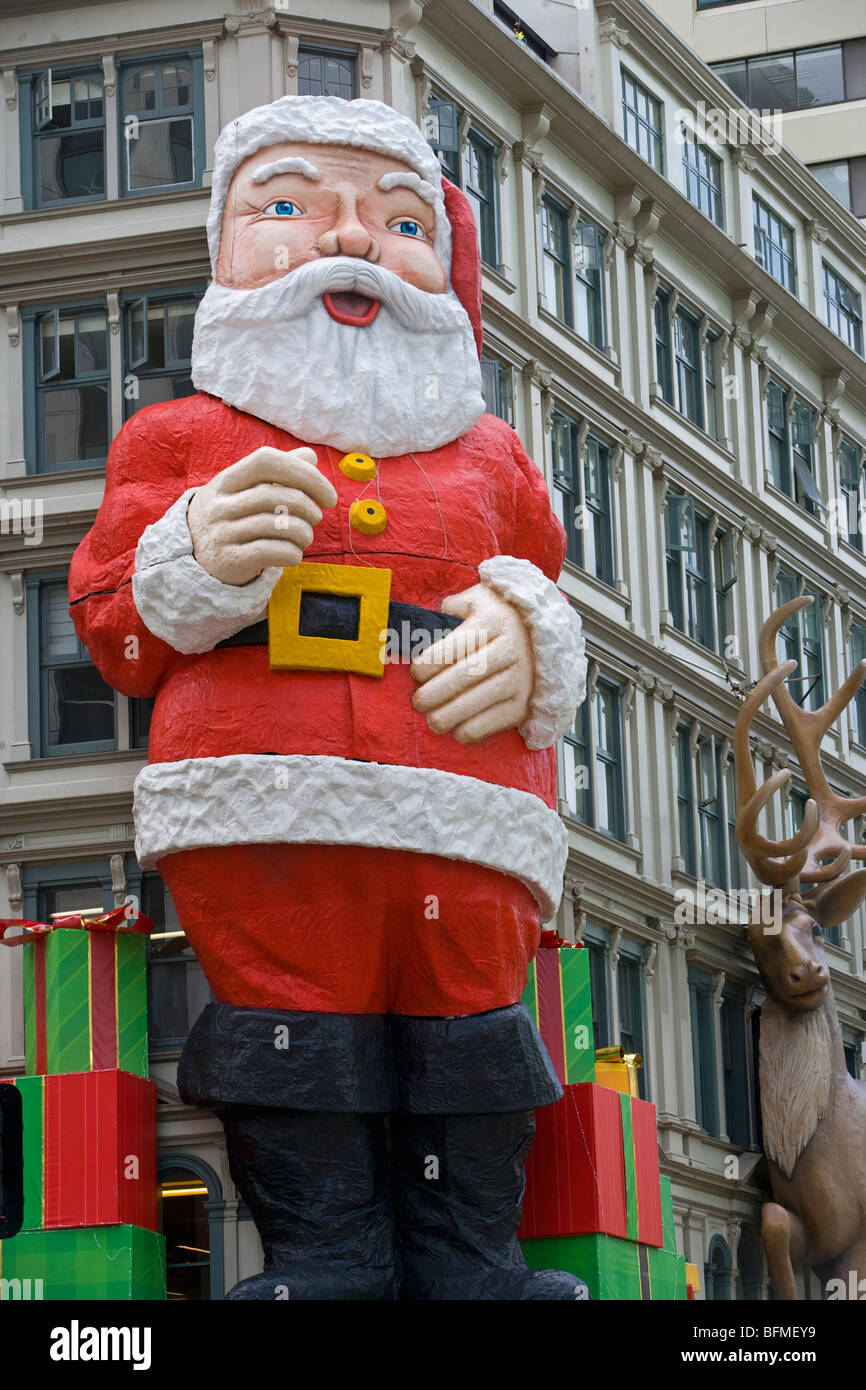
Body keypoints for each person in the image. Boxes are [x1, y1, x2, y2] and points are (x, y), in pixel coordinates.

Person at [70, 95, 588, 1300]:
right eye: (290, 205)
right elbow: (114, 627)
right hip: (265, 812)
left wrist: (528, 636)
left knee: (467, 1030)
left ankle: (470, 1259)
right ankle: (326, 1257)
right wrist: (190, 552)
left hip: (463, 813)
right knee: (292, 1030)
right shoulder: (175, 439)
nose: (348, 244)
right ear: (226, 248)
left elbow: (540, 584)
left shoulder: (492, 457)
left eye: (398, 222)